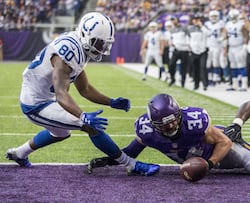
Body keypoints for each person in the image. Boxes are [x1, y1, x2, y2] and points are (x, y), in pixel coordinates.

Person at [5, 12, 160, 176]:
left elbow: (84, 89)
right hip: (35, 103)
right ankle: (131, 164)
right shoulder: (68, 52)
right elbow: (61, 93)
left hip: (44, 96)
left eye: (105, 44)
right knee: (89, 126)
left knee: (60, 133)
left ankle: (19, 153)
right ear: (86, 35)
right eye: (99, 43)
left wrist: (111, 102)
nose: (102, 48)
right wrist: (83, 116)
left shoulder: (79, 46)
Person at [88, 93, 250, 176]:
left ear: (179, 115)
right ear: (153, 124)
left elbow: (223, 141)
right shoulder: (146, 130)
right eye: (164, 125)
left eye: (173, 122)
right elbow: (132, 151)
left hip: (220, 149)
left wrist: (210, 164)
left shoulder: (195, 121)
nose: (170, 128)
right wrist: (109, 160)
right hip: (203, 157)